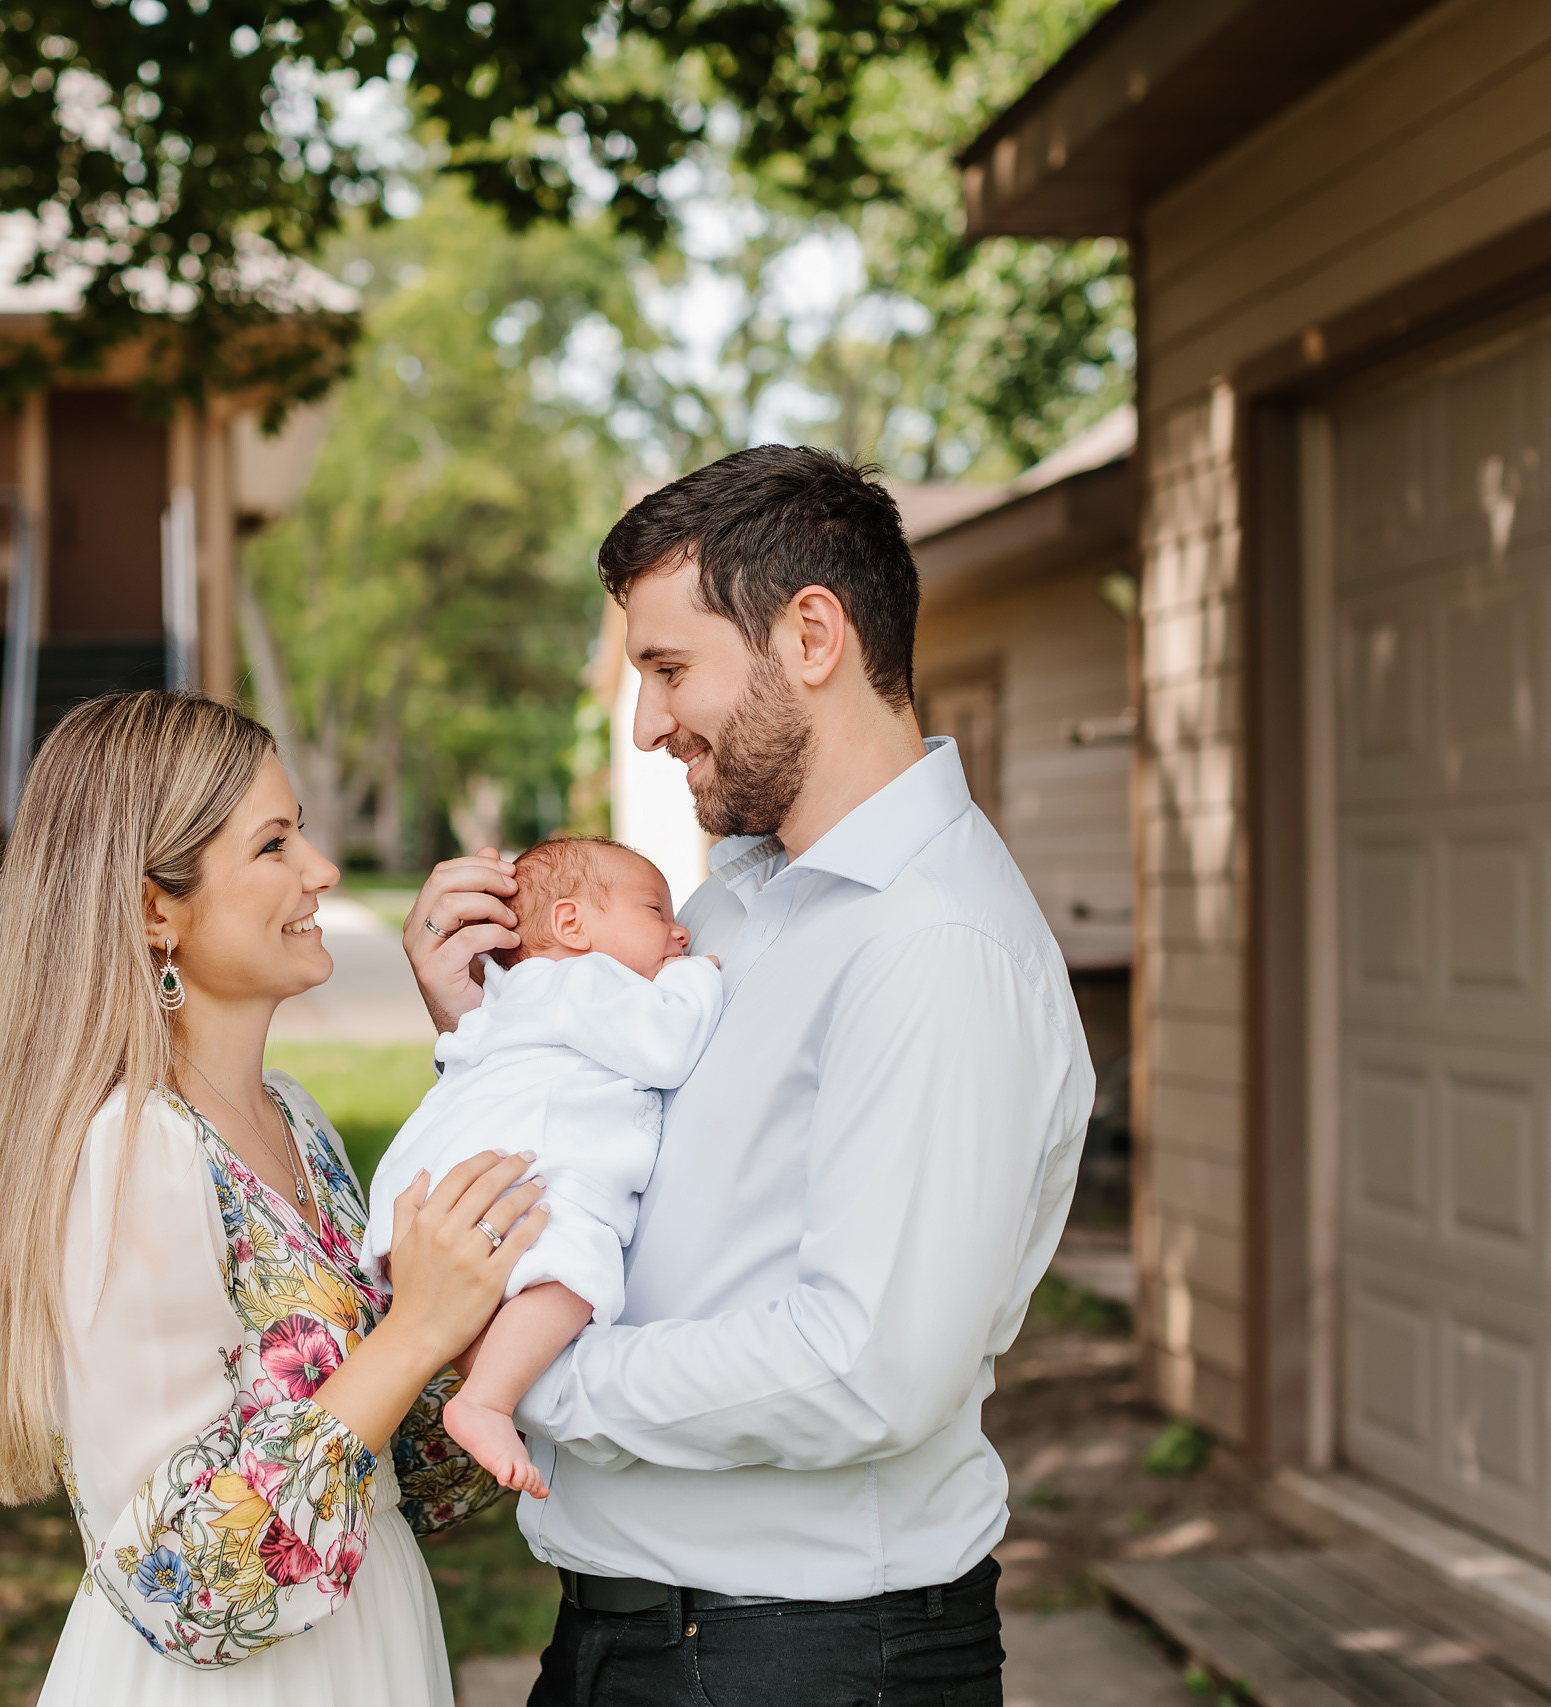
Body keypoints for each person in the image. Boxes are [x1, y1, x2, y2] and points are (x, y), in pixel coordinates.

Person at [402, 447, 1095, 1705]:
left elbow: (863, 1367)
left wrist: (526, 1374)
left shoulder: (932, 944)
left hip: (805, 1659)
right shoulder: (729, 912)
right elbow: (650, 1185)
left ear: (812, 636)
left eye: (670, 669)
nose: (644, 724)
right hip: (637, 1639)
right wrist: (501, 1033)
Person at [0, 690, 549, 1706]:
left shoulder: (294, 1120)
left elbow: (410, 1469)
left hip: (369, 1643)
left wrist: (485, 1044)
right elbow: (184, 1577)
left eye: (302, 831)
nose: (323, 870)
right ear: (153, 909)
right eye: (274, 845)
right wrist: (414, 1333)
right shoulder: (135, 1151)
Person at [361, 836, 723, 1499]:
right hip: (529, 1174)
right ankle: (487, 1401)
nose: (680, 932)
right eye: (654, 911)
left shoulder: (514, 993)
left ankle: (486, 1378)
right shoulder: (582, 980)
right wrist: (695, 977)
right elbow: (666, 1044)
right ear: (571, 925)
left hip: (437, 1180)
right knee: (575, 1274)